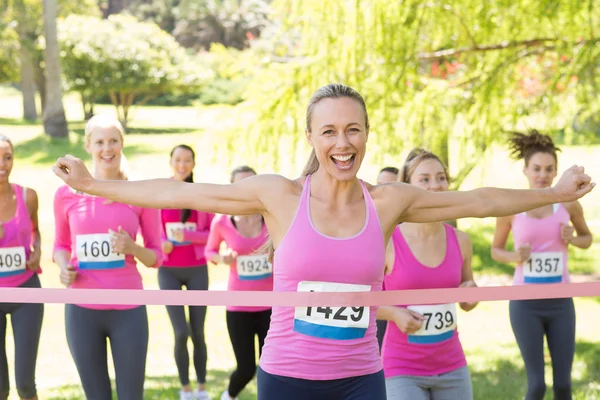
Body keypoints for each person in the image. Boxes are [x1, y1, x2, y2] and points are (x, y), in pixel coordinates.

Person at [52, 84, 594, 400]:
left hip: (362, 379)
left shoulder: (387, 202)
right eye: (329, 131)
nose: (342, 142)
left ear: (366, 134)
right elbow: (177, 188)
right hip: (288, 378)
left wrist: (555, 190)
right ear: (311, 138)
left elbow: (478, 201)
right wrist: (91, 183)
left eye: (353, 130)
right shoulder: (280, 195)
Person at [52, 115, 163, 400]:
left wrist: (133, 248)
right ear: (88, 146)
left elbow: (156, 257)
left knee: (130, 396)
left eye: (113, 140)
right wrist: (64, 266)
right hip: (81, 309)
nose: (107, 148)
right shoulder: (65, 195)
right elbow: (61, 246)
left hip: (128, 310)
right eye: (99, 141)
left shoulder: (140, 193)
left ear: (122, 143)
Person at [491, 130, 593, 400]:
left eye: (549, 170)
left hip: (561, 302)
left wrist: (574, 238)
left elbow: (587, 239)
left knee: (563, 386)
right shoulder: (512, 208)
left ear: (557, 172)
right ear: (525, 170)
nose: (542, 175)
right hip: (525, 304)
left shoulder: (569, 206)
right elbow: (495, 250)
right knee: (536, 385)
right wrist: (515, 257)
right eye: (536, 169)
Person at [378, 148, 478, 400]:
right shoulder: (388, 241)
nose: (435, 185)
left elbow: (467, 299)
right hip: (402, 368)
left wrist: (471, 292)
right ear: (407, 186)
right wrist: (393, 313)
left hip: (452, 365)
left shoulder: (461, 240)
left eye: (441, 177)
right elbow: (361, 300)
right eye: (424, 179)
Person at [204, 166, 273, 400]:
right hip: (238, 307)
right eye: (241, 185)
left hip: (272, 305)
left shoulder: (272, 217)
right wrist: (221, 258)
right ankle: (228, 396)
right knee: (246, 367)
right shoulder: (222, 221)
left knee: (272, 366)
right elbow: (209, 251)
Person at [159, 144, 214, 400]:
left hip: (196, 271)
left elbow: (212, 235)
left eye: (187, 160)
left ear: (193, 164)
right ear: (171, 162)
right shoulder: (159, 193)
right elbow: (150, 229)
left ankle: (202, 387)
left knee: (198, 331)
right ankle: (185, 387)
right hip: (168, 271)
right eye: (178, 160)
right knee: (181, 332)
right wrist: (161, 241)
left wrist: (188, 235)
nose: (182, 165)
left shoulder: (200, 195)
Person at [0, 135, 43, 400]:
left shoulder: (28, 196)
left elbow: (36, 232)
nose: (2, 164)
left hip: (26, 291)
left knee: (25, 383)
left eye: (7, 157)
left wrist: (37, 251)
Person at [375, 166, 399, 350]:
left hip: (402, 307)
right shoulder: (367, 221)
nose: (383, 191)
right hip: (374, 308)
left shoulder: (409, 228)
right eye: (380, 185)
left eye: (390, 186)